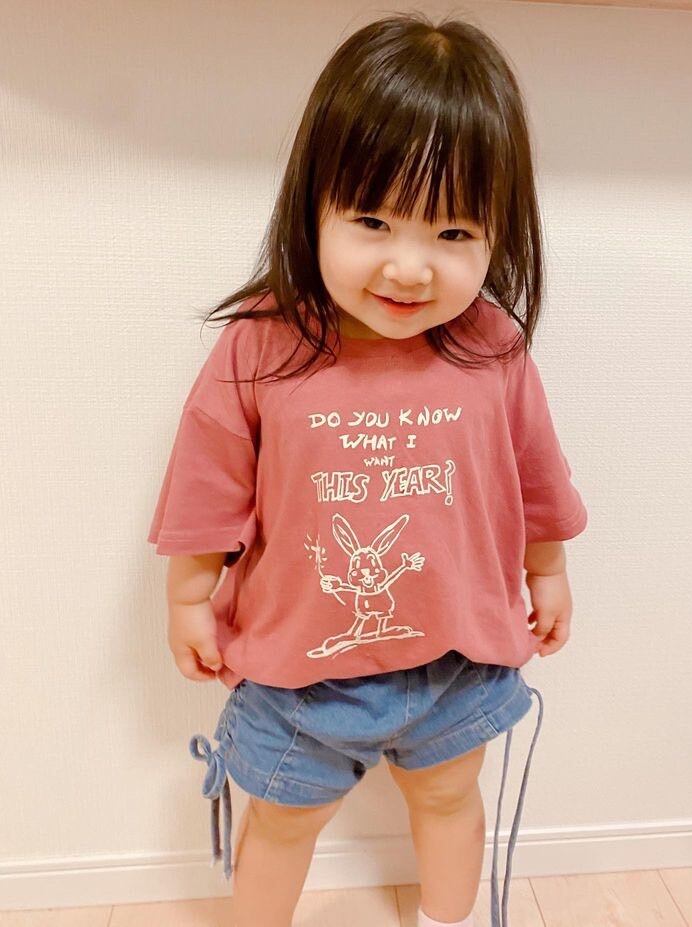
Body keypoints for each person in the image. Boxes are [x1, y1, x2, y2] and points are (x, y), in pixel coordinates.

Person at [147, 12, 588, 927]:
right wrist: (190, 597)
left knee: (449, 801)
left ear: (500, 232)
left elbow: (535, 475)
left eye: (454, 232)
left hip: (459, 658)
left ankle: (446, 919)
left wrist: (546, 570)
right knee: (281, 823)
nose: (409, 267)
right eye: (374, 220)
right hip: (297, 672)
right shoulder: (263, 343)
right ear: (313, 203)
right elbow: (209, 480)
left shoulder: (492, 347)